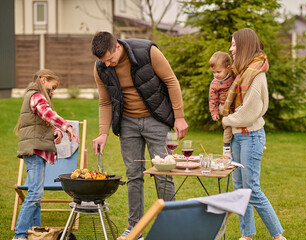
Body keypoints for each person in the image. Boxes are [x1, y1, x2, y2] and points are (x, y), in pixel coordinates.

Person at [91, 32, 189, 239]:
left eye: (109, 59)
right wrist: (102, 133)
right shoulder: (100, 67)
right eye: (103, 61)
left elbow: (171, 81)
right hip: (127, 124)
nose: (107, 65)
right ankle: (135, 227)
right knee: (134, 175)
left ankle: (170, 226)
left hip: (156, 119)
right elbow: (105, 102)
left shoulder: (147, 51)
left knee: (163, 174)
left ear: (117, 46)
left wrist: (179, 117)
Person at [221, 28, 286, 240]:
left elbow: (248, 113)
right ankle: (246, 235)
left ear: (245, 46)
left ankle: (278, 236)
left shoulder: (256, 73)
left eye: (234, 45)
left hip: (251, 136)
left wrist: (226, 119)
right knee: (240, 189)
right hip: (240, 137)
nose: (231, 49)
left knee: (252, 189)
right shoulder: (244, 73)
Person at [13, 69, 80, 240]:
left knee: (36, 192)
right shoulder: (36, 95)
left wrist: (56, 131)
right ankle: (19, 235)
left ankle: (35, 233)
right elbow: (46, 113)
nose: (52, 91)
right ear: (43, 80)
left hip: (37, 149)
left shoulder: (33, 95)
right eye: (52, 87)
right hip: (34, 150)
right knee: (35, 194)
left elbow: (41, 121)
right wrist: (66, 126)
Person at [208, 51, 234, 156]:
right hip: (225, 108)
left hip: (237, 105)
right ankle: (226, 147)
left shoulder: (233, 75)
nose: (216, 75)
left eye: (218, 72)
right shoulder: (215, 83)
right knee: (227, 126)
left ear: (228, 68)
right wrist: (214, 113)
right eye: (214, 72)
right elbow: (212, 99)